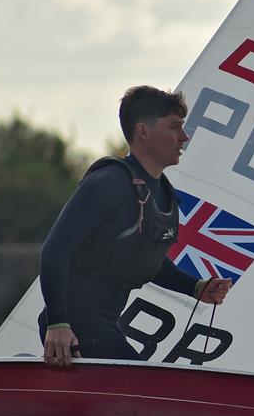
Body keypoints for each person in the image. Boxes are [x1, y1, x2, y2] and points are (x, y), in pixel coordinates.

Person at [38, 86, 232, 367]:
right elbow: (55, 250)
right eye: (174, 127)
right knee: (153, 390)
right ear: (143, 131)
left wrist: (195, 286)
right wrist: (57, 323)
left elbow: (146, 260)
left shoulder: (163, 193)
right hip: (74, 327)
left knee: (147, 390)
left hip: (105, 325)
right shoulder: (108, 183)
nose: (184, 137)